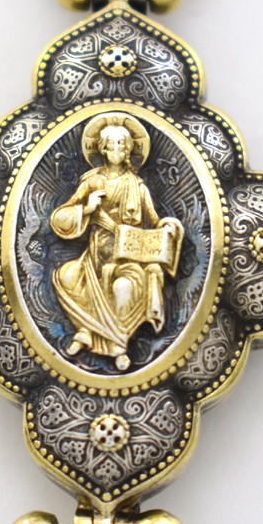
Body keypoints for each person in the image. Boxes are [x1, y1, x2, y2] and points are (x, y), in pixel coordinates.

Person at [50, 114, 182, 371]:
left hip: (128, 257)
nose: (117, 149)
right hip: (95, 254)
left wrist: (168, 227)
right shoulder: (91, 181)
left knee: (122, 287)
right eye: (111, 144)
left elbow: (154, 220)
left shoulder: (138, 186)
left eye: (122, 144)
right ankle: (86, 331)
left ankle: (119, 346)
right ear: (102, 148)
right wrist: (87, 209)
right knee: (67, 277)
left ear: (129, 150)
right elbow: (60, 217)